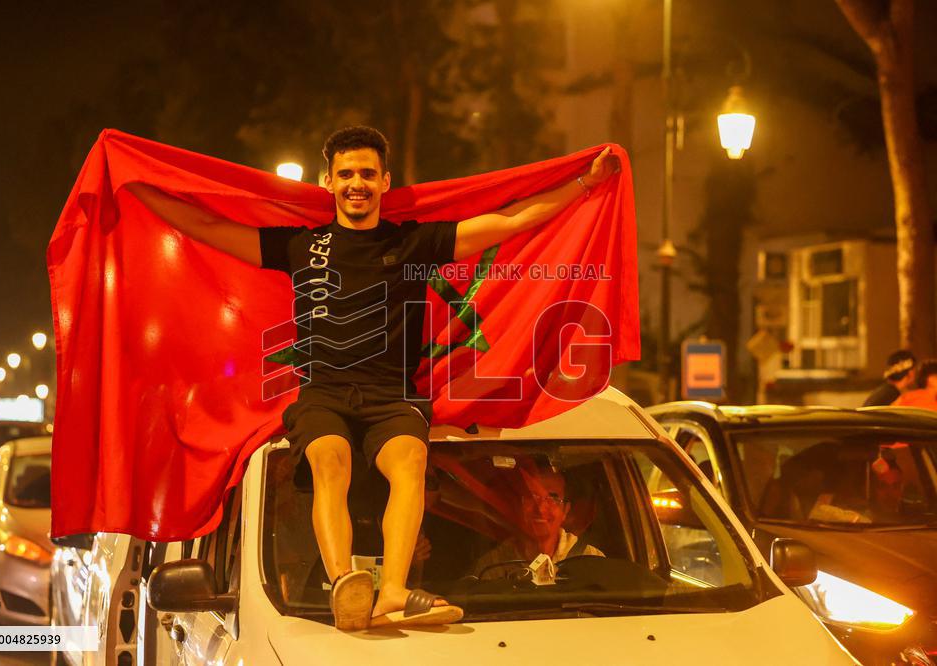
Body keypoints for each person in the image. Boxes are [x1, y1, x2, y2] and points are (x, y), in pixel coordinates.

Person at [128, 126, 619, 630]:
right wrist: (135, 184)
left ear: (385, 181)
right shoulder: (303, 247)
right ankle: (346, 585)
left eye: (366, 173)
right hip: (324, 394)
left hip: (392, 396)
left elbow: (509, 220)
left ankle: (392, 593)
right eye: (345, 174)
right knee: (331, 461)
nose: (355, 183)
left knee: (410, 462)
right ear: (328, 182)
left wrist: (584, 183)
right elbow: (206, 225)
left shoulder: (414, 243)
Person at [474, 463, 603, 576]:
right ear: (520, 506)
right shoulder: (492, 566)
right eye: (532, 497)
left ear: (565, 510)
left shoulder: (591, 559)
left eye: (552, 499)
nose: (541, 509)